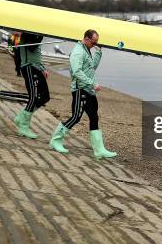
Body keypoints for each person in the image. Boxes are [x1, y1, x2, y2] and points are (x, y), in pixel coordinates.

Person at [49, 29, 116, 159]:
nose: (95, 45)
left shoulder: (87, 49)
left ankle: (99, 150)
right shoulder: (78, 52)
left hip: (89, 90)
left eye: (97, 43)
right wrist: (93, 84)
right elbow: (77, 72)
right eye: (94, 42)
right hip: (80, 90)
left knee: (94, 117)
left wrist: (99, 52)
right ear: (86, 39)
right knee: (76, 117)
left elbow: (92, 67)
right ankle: (56, 140)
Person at [13, 32, 50, 139]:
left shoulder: (36, 33)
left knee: (45, 96)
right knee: (33, 97)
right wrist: (41, 37)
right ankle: (23, 127)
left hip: (36, 67)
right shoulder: (28, 33)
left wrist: (42, 68)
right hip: (29, 67)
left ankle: (21, 117)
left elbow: (36, 54)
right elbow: (31, 48)